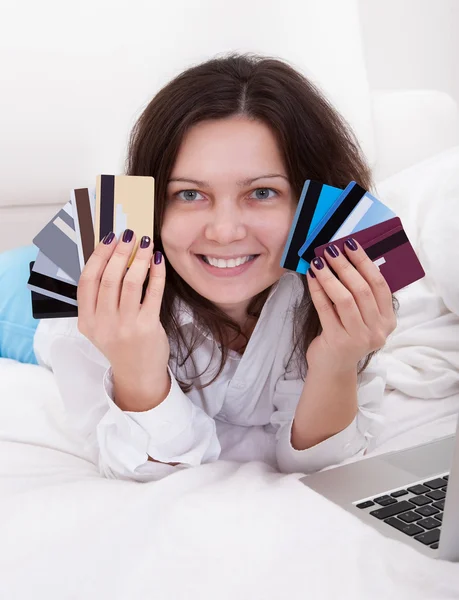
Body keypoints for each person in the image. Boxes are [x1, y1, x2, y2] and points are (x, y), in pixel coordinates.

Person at [33, 52, 396, 482]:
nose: (224, 232)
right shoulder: (85, 303)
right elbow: (134, 467)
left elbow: (320, 466)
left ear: (313, 203)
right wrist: (138, 368)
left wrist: (336, 360)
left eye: (262, 193)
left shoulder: (348, 288)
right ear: (153, 206)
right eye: (189, 194)